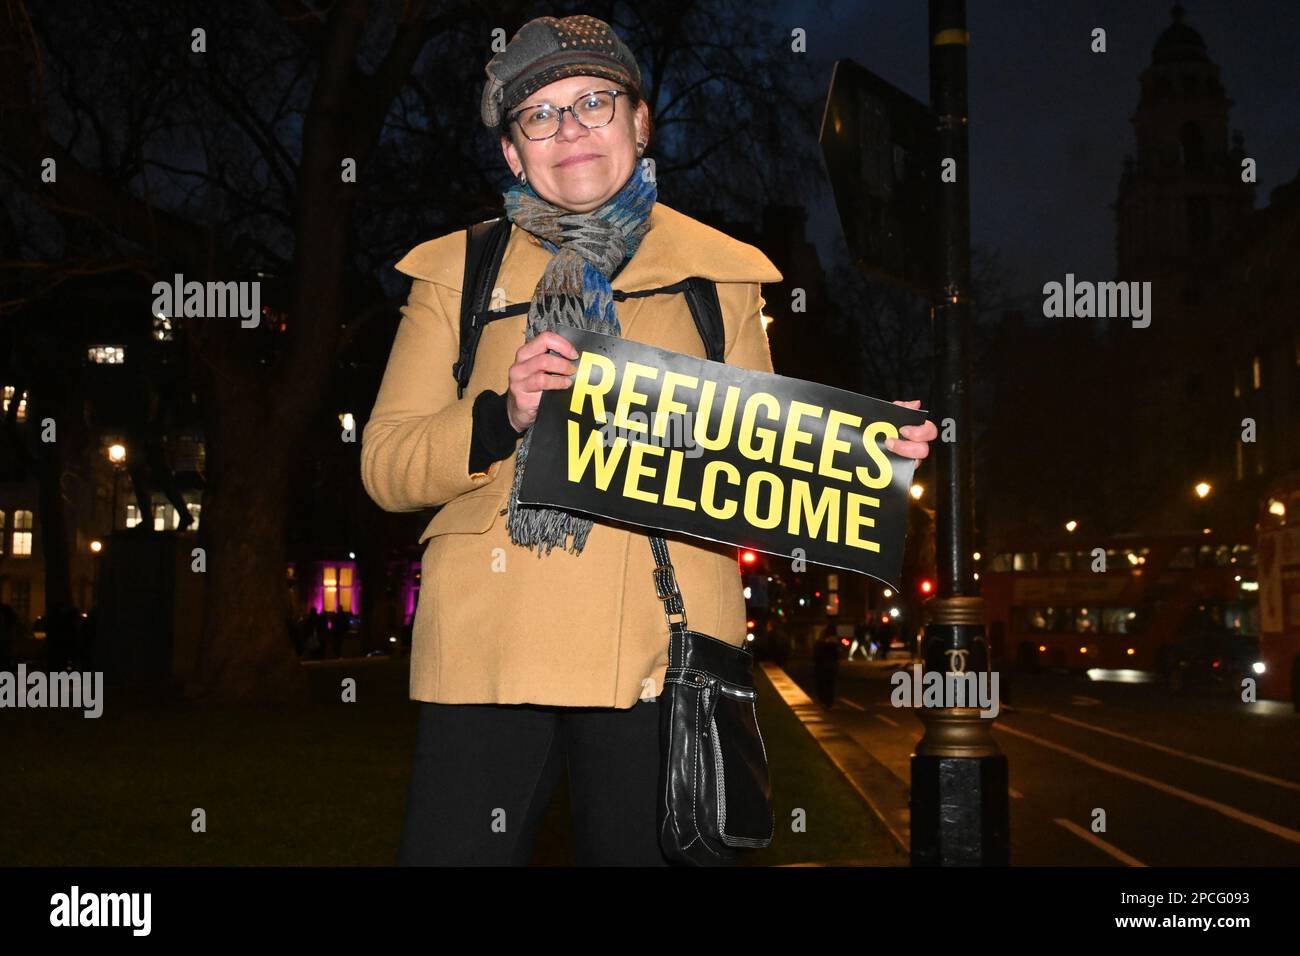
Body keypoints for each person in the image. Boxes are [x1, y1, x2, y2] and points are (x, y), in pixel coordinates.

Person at [359, 14, 937, 867]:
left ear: (639, 121)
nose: (572, 130)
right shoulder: (457, 271)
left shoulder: (722, 274)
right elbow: (385, 465)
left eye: (594, 102)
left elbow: (755, 463)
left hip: (660, 658)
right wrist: (501, 412)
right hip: (487, 651)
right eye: (540, 115)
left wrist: (851, 452)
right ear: (514, 154)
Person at [812, 623, 841, 708]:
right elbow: (837, 656)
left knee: (821, 684)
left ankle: (823, 700)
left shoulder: (819, 644)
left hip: (822, 667)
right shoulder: (834, 644)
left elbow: (816, 656)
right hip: (831, 667)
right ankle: (829, 702)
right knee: (830, 685)